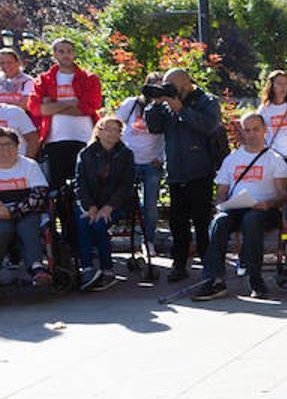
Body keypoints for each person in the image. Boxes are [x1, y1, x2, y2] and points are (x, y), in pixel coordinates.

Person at [191, 113, 287, 300]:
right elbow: (222, 190)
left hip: (265, 210)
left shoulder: (275, 159)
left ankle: (255, 279)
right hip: (236, 208)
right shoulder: (232, 159)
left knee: (252, 219)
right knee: (219, 221)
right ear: (242, 133)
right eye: (247, 130)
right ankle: (214, 279)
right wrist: (220, 203)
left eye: (256, 129)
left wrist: (268, 203)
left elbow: (282, 195)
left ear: (264, 131)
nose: (251, 134)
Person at [145, 67, 222, 282]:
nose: (170, 89)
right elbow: (153, 127)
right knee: (177, 223)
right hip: (176, 172)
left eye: (173, 85)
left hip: (200, 170)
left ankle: (209, 265)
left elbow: (210, 126)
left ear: (186, 83)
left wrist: (182, 110)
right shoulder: (167, 104)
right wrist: (156, 103)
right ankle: (179, 264)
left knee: (201, 220)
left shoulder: (206, 100)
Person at [29, 38, 102, 191]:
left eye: (69, 51)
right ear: (54, 54)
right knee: (59, 188)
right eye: (61, 51)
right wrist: (71, 102)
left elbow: (90, 107)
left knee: (87, 186)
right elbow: (36, 109)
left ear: (74, 54)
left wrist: (52, 105)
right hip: (54, 140)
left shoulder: (89, 78)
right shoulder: (43, 80)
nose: (66, 55)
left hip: (84, 138)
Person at [73, 115, 135, 292]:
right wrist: (90, 207)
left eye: (116, 130)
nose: (112, 134)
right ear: (99, 131)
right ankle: (87, 269)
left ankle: (107, 270)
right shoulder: (86, 154)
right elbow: (80, 184)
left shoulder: (126, 154)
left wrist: (108, 207)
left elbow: (126, 185)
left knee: (100, 224)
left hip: (115, 204)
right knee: (84, 222)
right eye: (108, 129)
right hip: (90, 203)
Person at [115, 74, 168, 254]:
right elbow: (115, 126)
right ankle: (118, 234)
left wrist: (161, 158)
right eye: (153, 87)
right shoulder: (131, 104)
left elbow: (170, 136)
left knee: (150, 205)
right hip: (129, 162)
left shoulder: (165, 108)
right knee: (121, 199)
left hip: (151, 163)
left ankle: (148, 241)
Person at [0, 126, 51, 286]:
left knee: (27, 227)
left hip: (27, 211)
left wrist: (13, 211)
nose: (4, 150)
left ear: (17, 146)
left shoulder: (29, 165)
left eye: (8, 144)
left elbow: (39, 195)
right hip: (1, 214)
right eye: (0, 146)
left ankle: (36, 268)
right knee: (3, 230)